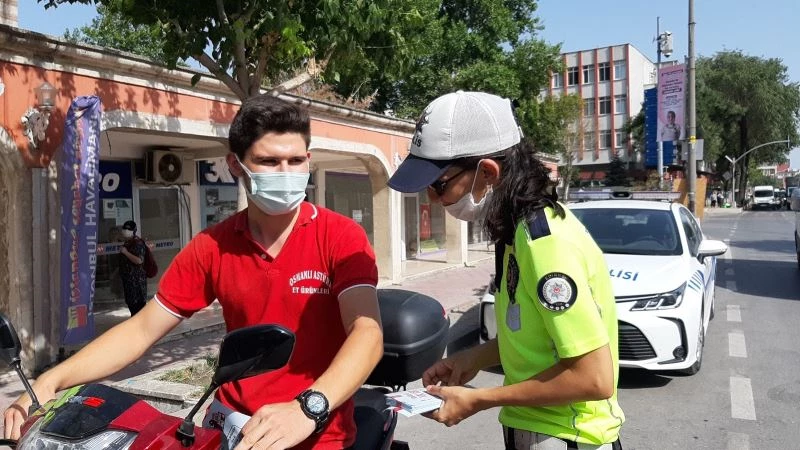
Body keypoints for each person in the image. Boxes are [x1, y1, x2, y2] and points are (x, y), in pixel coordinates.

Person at [4, 95, 384, 450]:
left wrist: (308, 407)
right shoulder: (212, 245)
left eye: (296, 161)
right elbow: (141, 330)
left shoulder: (340, 236)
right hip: (228, 427)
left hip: (315, 430)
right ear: (235, 164)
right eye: (269, 162)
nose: (286, 173)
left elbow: (366, 332)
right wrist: (51, 379)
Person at [388, 91, 624, 449]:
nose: (432, 200)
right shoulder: (516, 234)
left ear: (488, 172)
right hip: (537, 431)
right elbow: (537, 337)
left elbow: (594, 377)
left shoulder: (546, 245)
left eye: (438, 185)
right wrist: (472, 358)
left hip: (568, 436)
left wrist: (479, 399)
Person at [118, 220, 148, 316]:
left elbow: (139, 260)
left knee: (138, 310)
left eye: (128, 229)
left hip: (137, 284)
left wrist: (125, 252)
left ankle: (141, 329)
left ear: (133, 231)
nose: (125, 231)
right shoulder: (128, 243)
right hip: (129, 283)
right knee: (133, 308)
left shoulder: (138, 243)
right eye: (124, 228)